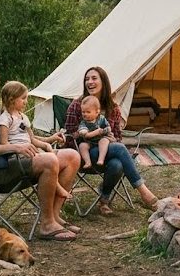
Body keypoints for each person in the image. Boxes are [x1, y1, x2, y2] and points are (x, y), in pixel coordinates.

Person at [0, 59, 81, 241]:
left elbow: (19, 133)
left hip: (9, 162)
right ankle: (46, 225)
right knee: (49, 161)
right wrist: (15, 147)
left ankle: (54, 216)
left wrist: (44, 141)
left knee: (72, 156)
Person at [64, 66, 159, 215]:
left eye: (94, 78)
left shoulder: (113, 108)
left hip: (104, 156)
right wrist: (87, 135)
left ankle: (104, 200)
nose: (90, 82)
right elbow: (69, 137)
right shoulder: (77, 105)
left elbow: (117, 137)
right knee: (120, 149)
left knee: (117, 164)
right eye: (87, 79)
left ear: (104, 82)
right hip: (84, 156)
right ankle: (144, 192)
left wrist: (106, 138)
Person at [0, 80, 71, 200]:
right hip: (18, 156)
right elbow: (4, 144)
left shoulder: (23, 117)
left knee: (53, 156)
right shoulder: (5, 120)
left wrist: (46, 144)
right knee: (50, 160)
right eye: (23, 98)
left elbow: (31, 139)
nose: (26, 101)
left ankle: (52, 185)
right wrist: (19, 149)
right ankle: (56, 186)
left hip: (31, 150)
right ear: (12, 99)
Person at [75, 96, 112, 170]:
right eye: (83, 112)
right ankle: (88, 162)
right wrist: (92, 132)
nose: (85, 114)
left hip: (100, 140)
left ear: (97, 112)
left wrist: (105, 130)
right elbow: (86, 135)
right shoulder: (83, 123)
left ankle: (101, 159)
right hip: (89, 143)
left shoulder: (101, 118)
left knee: (104, 141)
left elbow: (109, 128)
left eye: (88, 112)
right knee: (82, 145)